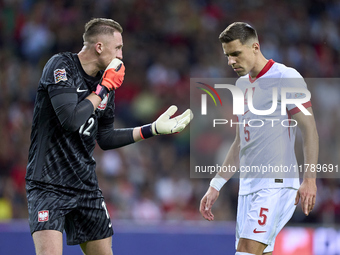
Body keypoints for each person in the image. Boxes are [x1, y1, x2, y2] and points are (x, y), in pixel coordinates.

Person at [26, 18, 192, 255]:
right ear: (99, 47)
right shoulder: (60, 66)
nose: (121, 56)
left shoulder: (106, 82)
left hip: (85, 186)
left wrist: (152, 129)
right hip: (48, 185)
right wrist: (102, 89)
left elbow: (105, 138)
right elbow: (71, 120)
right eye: (118, 48)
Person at [199, 22, 318, 255]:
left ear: (255, 47)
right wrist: (216, 185)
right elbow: (239, 143)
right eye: (227, 56)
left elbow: (309, 129)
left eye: (236, 54)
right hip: (248, 186)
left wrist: (310, 179)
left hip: (276, 183)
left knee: (246, 251)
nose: (231, 61)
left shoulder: (286, 77)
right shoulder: (241, 85)